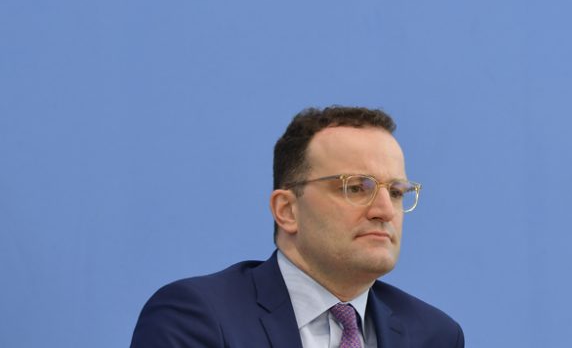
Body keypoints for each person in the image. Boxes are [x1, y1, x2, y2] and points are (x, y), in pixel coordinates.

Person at [131, 105, 464, 348]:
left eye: (395, 192)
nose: (384, 211)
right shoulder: (199, 317)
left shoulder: (434, 335)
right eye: (355, 187)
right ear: (287, 210)